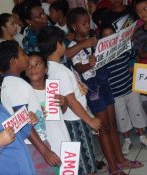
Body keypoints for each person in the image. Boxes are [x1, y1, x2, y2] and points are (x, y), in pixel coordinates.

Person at [66, 7, 143, 175]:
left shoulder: (93, 38)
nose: (88, 25)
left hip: (105, 82)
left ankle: (120, 160)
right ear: (74, 26)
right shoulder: (74, 45)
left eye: (88, 22)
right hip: (93, 88)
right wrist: (89, 63)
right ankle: (113, 167)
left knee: (112, 125)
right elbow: (78, 67)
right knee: (103, 127)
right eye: (83, 23)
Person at [37, 25, 102, 175]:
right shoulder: (60, 71)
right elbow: (71, 101)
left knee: (76, 165)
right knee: (86, 166)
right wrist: (90, 121)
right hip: (76, 121)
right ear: (59, 44)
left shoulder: (51, 69)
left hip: (68, 121)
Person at [0, 40, 61, 174]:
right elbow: (23, 121)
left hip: (32, 143)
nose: (26, 56)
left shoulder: (10, 83)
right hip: (34, 145)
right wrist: (45, 151)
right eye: (23, 54)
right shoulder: (16, 85)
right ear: (14, 61)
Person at [100, 25, 147, 154]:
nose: (109, 38)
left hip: (130, 88)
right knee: (121, 117)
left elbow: (135, 54)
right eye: (105, 36)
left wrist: (129, 42)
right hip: (115, 93)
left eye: (112, 35)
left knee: (137, 111)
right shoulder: (102, 57)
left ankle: (142, 136)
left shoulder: (124, 49)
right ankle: (127, 140)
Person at [26, 52, 71, 175]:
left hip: (62, 136)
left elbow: (62, 112)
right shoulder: (27, 94)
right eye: (28, 65)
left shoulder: (53, 88)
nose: (32, 68)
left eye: (37, 64)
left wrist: (64, 102)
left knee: (69, 171)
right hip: (46, 144)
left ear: (45, 69)